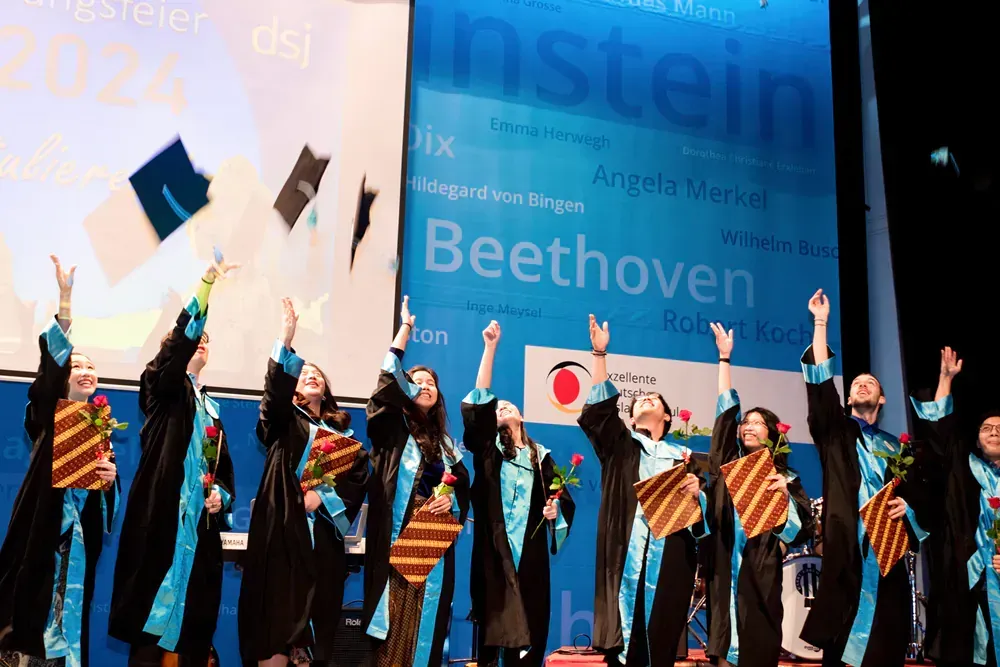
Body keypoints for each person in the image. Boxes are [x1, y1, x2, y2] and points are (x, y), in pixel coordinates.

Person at [109, 260, 238, 667]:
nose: (201, 341)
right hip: (161, 522)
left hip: (199, 534)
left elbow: (226, 478)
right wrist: (206, 285)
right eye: (194, 337)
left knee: (194, 631)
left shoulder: (213, 412)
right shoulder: (162, 391)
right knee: (150, 625)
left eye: (207, 339)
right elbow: (176, 349)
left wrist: (220, 495)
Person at [798, 289, 930, 667]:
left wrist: (908, 506)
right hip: (848, 552)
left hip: (888, 553)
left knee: (886, 640)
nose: (861, 384)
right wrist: (820, 323)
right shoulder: (836, 434)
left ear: (883, 399)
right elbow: (821, 389)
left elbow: (921, 496)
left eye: (869, 382)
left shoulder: (898, 447)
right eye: (855, 382)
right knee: (841, 639)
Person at [0, 256, 119, 667]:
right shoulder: (47, 412)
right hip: (44, 536)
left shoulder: (101, 426)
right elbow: (49, 373)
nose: (86, 370)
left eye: (92, 367)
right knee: (32, 629)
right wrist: (65, 302)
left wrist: (108, 481)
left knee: (69, 630)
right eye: (77, 365)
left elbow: (105, 500)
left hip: (78, 548)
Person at [238, 298, 371, 667]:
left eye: (318, 373)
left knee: (319, 630)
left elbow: (358, 483)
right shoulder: (284, 420)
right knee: (276, 626)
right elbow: (272, 399)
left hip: (324, 545)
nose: (311, 375)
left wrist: (321, 497)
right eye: (303, 372)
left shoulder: (348, 443)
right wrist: (286, 338)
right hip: (282, 534)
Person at [578, 314, 709, 667]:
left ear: (668, 417)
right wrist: (599, 355)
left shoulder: (684, 458)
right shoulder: (621, 446)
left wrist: (699, 491)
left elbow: (704, 521)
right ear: (632, 417)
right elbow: (601, 414)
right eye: (640, 400)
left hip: (672, 558)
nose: (647, 399)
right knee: (626, 646)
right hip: (625, 554)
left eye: (655, 398)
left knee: (663, 641)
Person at [363, 296, 471, 667]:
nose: (425, 385)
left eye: (431, 382)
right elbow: (384, 386)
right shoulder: (392, 428)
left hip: (431, 534)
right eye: (417, 381)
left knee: (425, 622)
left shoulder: (446, 445)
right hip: (398, 531)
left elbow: (463, 486)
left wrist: (451, 501)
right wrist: (405, 330)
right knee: (393, 620)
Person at [462, 320, 576, 667]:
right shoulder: (488, 450)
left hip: (531, 557)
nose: (502, 410)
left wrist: (555, 514)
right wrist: (490, 349)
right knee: (492, 632)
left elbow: (562, 500)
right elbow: (479, 404)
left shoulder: (542, 457)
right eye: (498, 410)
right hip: (493, 554)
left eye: (509, 407)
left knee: (529, 625)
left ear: (522, 417)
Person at [705, 322, 814, 667]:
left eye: (758, 422)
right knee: (723, 641)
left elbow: (802, 531)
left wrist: (783, 498)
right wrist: (724, 360)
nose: (748, 425)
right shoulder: (727, 466)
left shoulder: (787, 477)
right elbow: (725, 415)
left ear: (772, 435)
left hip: (761, 566)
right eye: (746, 422)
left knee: (760, 639)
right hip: (725, 560)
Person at [910, 347, 1000, 667]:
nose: (993, 432)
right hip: (967, 573)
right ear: (976, 440)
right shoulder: (964, 467)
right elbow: (941, 431)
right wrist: (945, 379)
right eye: (987, 428)